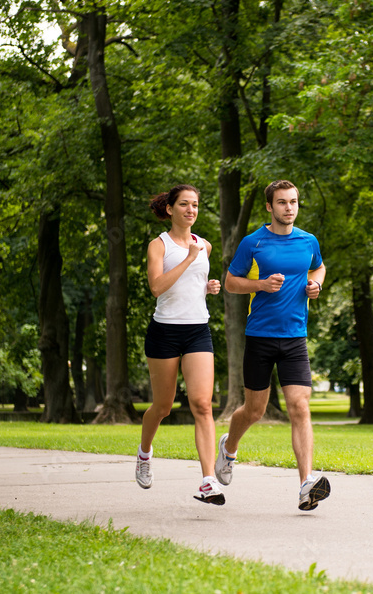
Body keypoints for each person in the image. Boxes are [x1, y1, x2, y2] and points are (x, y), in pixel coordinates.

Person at [216, 179, 330, 511]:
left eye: (293, 202)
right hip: (260, 337)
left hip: (295, 338)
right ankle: (229, 447)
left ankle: (306, 484)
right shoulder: (254, 243)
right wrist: (261, 285)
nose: (289, 208)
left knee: (299, 407)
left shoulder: (308, 241)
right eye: (282, 202)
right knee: (254, 410)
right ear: (270, 206)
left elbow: (319, 267)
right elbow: (231, 282)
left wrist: (315, 285)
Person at [136, 184, 225, 505]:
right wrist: (189, 259)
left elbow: (193, 286)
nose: (191, 210)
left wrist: (209, 287)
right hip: (164, 332)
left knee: (202, 404)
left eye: (196, 205)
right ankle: (145, 453)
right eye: (185, 204)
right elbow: (157, 287)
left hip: (198, 330)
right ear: (170, 209)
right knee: (163, 406)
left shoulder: (206, 245)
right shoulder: (158, 246)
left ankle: (208, 480)